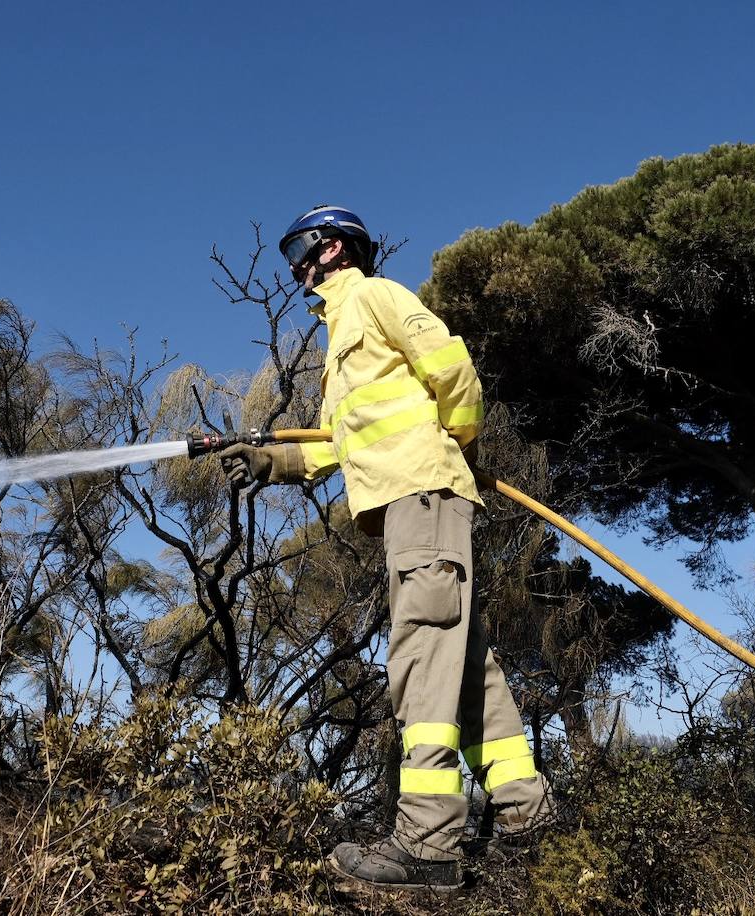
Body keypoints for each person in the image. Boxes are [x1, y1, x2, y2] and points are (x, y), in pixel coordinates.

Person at [219, 205, 552, 892]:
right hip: (410, 502)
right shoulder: (341, 336)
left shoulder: (372, 295)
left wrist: (449, 445)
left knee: (422, 652)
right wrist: (267, 460)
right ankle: (526, 812)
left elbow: (453, 369)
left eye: (300, 251)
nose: (294, 268)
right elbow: (330, 443)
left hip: (421, 495)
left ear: (333, 248)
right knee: (461, 663)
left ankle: (428, 842)